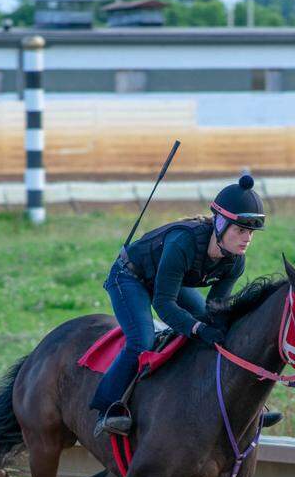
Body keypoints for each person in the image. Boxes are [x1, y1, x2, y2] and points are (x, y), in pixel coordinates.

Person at [90, 174, 280, 437]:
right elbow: (163, 304)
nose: (246, 239)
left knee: (209, 325)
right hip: (129, 276)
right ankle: (108, 408)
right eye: (240, 230)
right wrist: (197, 329)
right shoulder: (184, 242)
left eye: (250, 232)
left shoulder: (235, 261)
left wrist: (214, 327)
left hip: (165, 280)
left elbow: (215, 308)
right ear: (220, 224)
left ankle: (244, 406)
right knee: (142, 340)